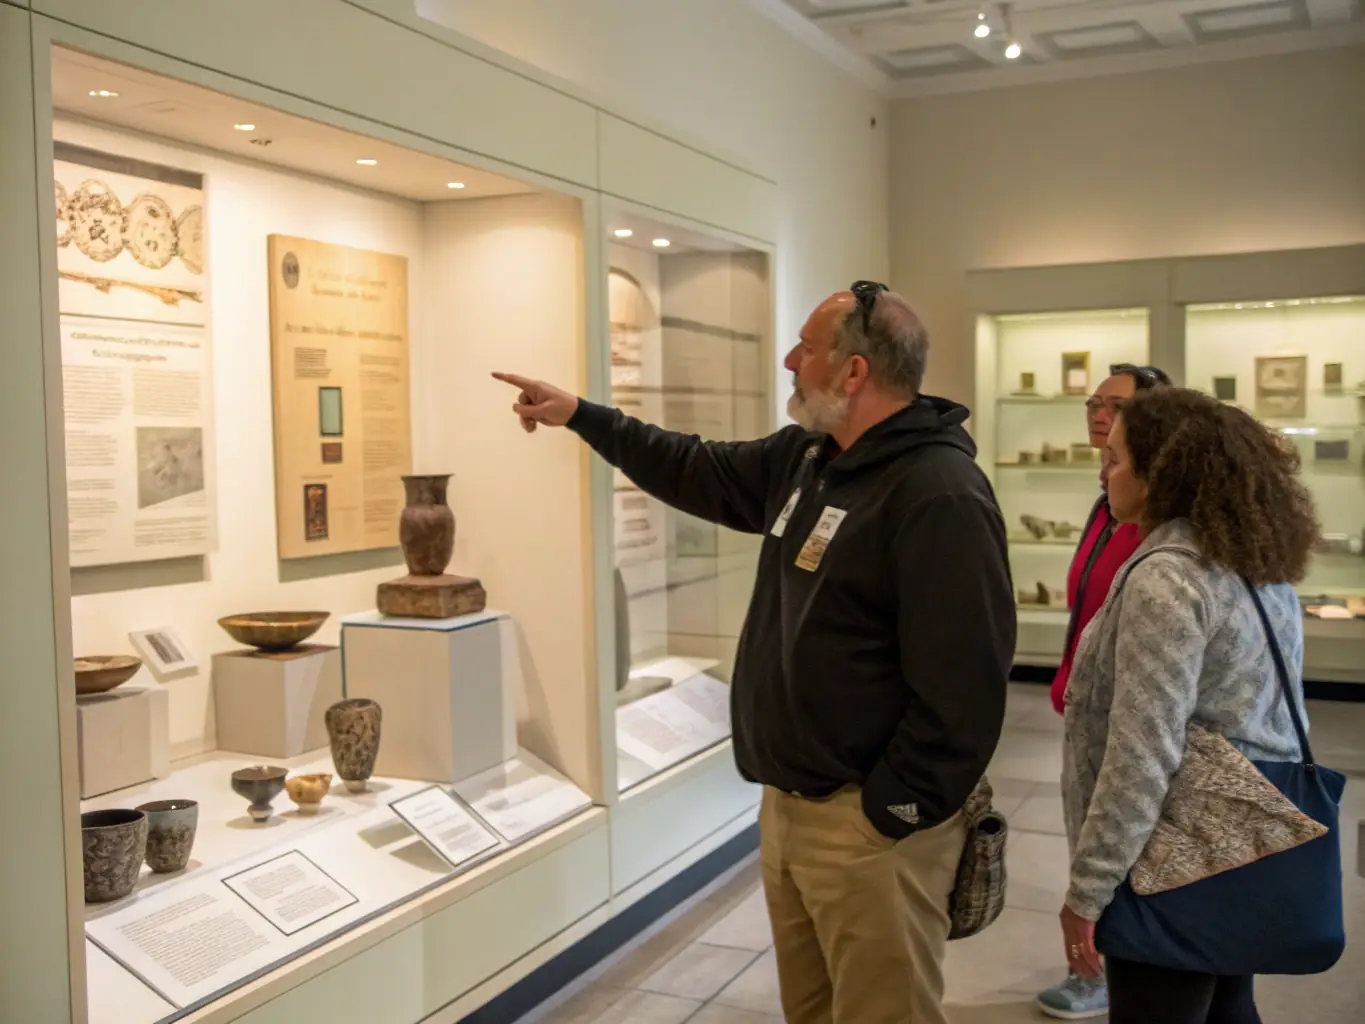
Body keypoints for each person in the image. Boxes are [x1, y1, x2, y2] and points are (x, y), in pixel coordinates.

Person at [494, 281, 1015, 1024]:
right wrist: (583, 416)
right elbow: (694, 467)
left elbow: (964, 685)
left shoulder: (937, 493)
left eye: (806, 347)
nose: (788, 359)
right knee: (811, 1011)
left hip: (867, 826)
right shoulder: (811, 457)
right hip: (791, 809)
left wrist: (889, 811)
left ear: (854, 371)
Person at [1058, 387, 1319, 1024]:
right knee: (1230, 1006)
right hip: (1240, 839)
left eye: (1116, 459)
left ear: (1160, 474)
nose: (1104, 470)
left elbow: (1142, 753)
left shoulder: (1166, 576)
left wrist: (1088, 890)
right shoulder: (1253, 561)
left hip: (1171, 860)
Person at [1036, 362, 1170, 1021]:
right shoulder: (1107, 499)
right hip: (1088, 704)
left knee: (1116, 842)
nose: (1098, 414)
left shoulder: (1157, 520)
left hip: (1130, 713)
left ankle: (1103, 970)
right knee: (1087, 832)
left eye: (1115, 405)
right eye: (1094, 401)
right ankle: (1095, 963)